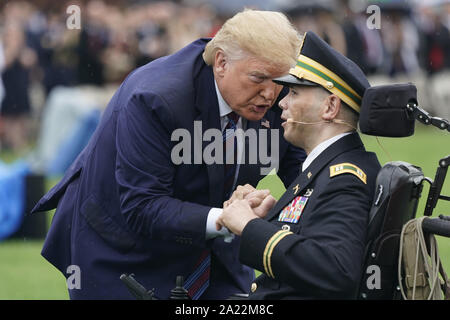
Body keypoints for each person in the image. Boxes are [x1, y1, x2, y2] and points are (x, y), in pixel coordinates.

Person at [31, 9, 306, 300]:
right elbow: (142, 205)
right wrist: (226, 218)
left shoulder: (279, 94)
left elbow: (304, 176)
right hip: (122, 250)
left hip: (214, 251)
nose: (271, 94)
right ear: (221, 62)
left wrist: (294, 218)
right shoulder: (156, 98)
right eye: (259, 78)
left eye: (281, 80)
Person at [217, 31, 382, 299]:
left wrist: (250, 226)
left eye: (293, 92)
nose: (281, 102)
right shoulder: (331, 165)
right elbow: (312, 241)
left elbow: (335, 270)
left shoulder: (345, 176)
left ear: (330, 107)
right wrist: (267, 219)